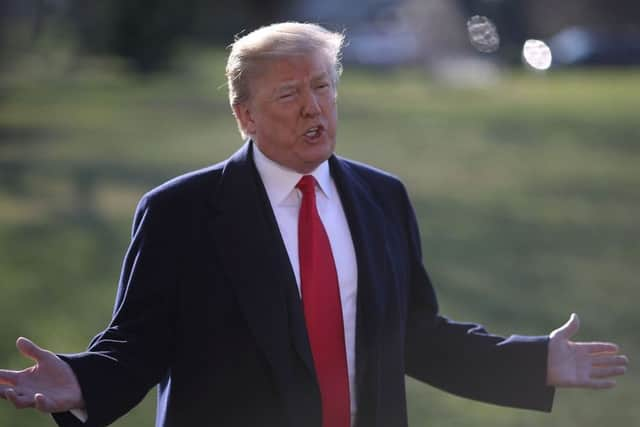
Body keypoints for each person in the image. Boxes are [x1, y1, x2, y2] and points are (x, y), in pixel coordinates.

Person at [0, 22, 628, 427]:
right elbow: (138, 346)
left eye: (322, 87)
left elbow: (415, 336)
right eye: (288, 95)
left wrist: (534, 362)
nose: (313, 107)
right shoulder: (181, 212)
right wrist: (78, 380)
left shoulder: (382, 198)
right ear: (244, 115)